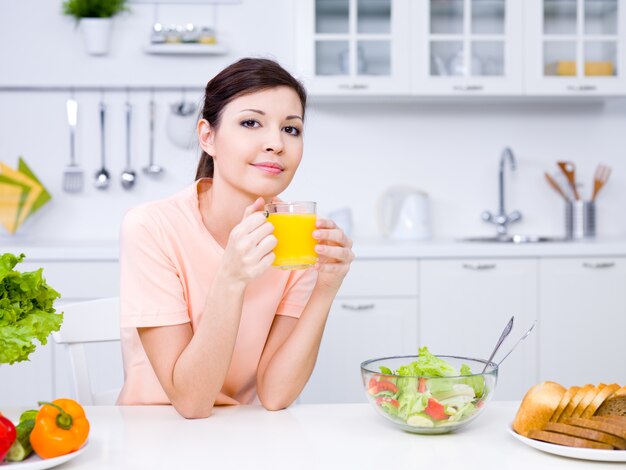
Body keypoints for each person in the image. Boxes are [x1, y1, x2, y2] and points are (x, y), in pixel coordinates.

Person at [117, 58, 354, 419]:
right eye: (250, 123)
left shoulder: (295, 234)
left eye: (291, 129)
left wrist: (326, 288)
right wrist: (231, 278)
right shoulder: (151, 227)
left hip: (243, 432)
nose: (275, 143)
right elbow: (191, 402)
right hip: (155, 428)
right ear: (208, 137)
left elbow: (275, 395)